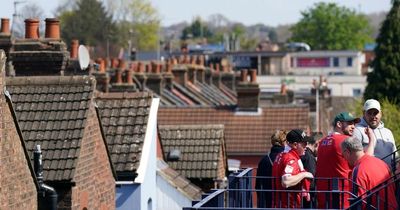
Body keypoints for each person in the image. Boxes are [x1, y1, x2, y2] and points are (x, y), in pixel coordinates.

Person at [315, 112, 371, 209]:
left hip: (324, 196)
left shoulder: (322, 142)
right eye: (349, 123)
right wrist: (372, 140)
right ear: (339, 124)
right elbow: (365, 161)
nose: (353, 126)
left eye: (354, 123)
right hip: (343, 197)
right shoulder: (345, 141)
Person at [341, 136, 398, 210]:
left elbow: (358, 204)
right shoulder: (381, 163)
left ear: (347, 152)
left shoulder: (358, 170)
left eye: (343, 155)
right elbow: (393, 188)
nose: (344, 158)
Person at [272, 129, 314, 208]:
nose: (306, 146)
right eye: (304, 144)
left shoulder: (280, 155)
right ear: (295, 145)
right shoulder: (290, 158)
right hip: (289, 205)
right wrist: (304, 174)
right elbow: (286, 181)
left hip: (279, 203)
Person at [353, 99, 397, 167]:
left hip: (389, 175)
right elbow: (355, 158)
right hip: (369, 175)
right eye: (369, 113)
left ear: (381, 113)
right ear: (363, 113)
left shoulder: (388, 132)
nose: (373, 117)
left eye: (375, 113)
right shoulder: (357, 130)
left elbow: (395, 158)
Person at [255, 130, 287, 208]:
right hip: (284, 200)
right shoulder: (287, 158)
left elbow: (257, 185)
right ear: (283, 142)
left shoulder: (264, 160)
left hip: (267, 201)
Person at [300, 132, 321, 208]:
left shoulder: (303, 154)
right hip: (309, 196)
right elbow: (311, 177)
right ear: (317, 144)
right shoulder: (309, 157)